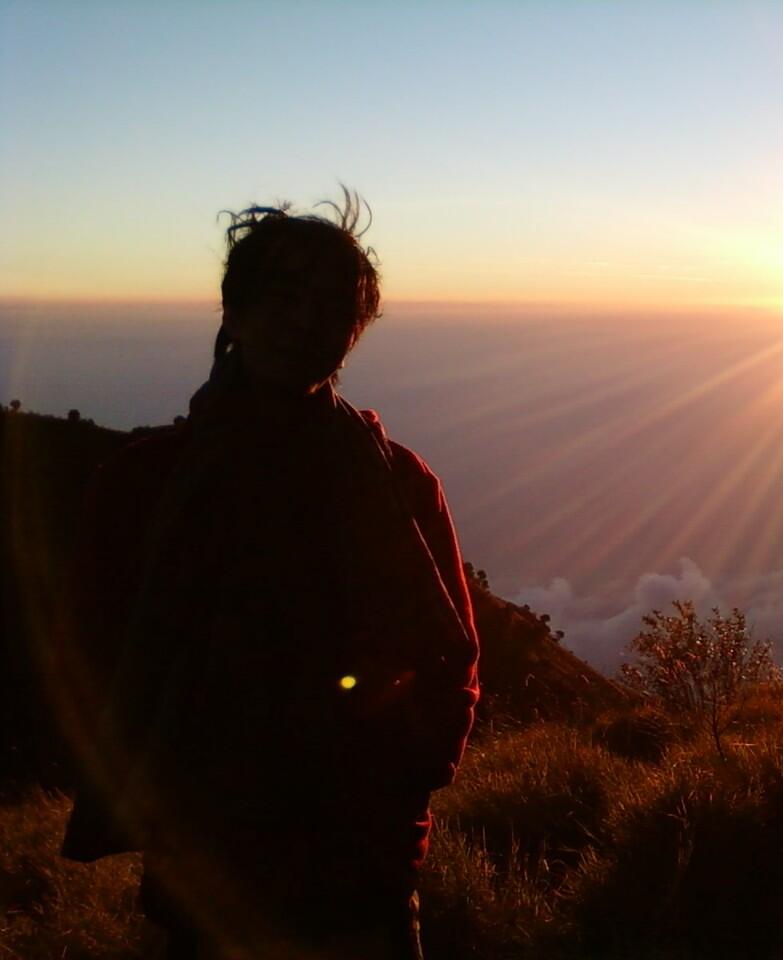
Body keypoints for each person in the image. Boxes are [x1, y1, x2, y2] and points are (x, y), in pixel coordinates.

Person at [58, 191, 480, 959]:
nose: (303, 323)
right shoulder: (143, 485)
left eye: (331, 307)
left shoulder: (400, 483)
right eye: (282, 296)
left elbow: (452, 659)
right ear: (234, 309)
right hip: (205, 868)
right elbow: (91, 653)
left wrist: (402, 778)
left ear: (352, 334)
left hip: (359, 872)